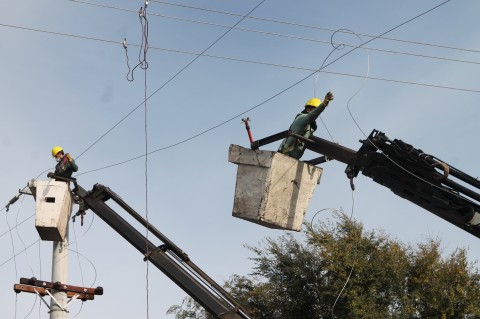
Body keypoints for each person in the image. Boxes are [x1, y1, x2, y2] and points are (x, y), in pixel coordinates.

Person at [277, 91, 334, 159]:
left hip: (293, 159)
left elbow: (315, 143)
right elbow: (311, 116)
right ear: (308, 109)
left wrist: (332, 149)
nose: (317, 113)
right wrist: (324, 103)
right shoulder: (301, 118)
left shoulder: (310, 128)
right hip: (285, 154)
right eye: (315, 109)